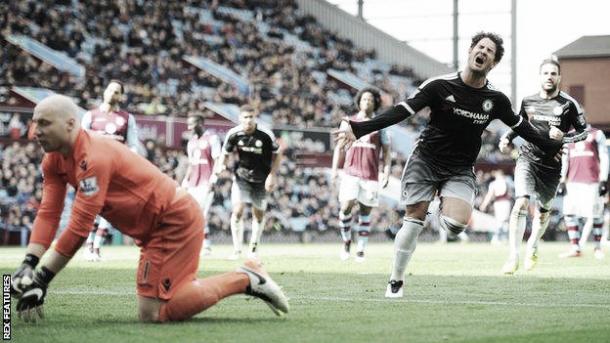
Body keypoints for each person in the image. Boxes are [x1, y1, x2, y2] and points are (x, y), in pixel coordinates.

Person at [10, 95, 288, 323]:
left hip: (172, 221)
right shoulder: (53, 160)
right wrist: (29, 264)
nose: (35, 131)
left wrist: (43, 279)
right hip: (156, 229)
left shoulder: (93, 157)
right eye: (35, 123)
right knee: (156, 309)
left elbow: (80, 226)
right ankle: (247, 274)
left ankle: (245, 278)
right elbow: (48, 212)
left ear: (71, 124)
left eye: (44, 123)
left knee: (154, 314)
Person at [333, 32, 564, 298]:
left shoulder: (496, 100)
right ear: (470, 51)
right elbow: (401, 111)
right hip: (426, 160)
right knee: (415, 217)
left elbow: (523, 127)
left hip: (460, 168)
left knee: (455, 225)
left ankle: (442, 203)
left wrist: (553, 146)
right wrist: (359, 128)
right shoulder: (439, 86)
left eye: (490, 52)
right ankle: (396, 280)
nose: (484, 52)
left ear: (493, 63)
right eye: (481, 47)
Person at [499, 58, 587, 274]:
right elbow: (519, 122)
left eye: (553, 73)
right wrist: (506, 138)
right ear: (540, 77)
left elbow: (585, 132)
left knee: (543, 212)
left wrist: (564, 138)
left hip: (552, 167)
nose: (549, 77)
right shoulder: (528, 101)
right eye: (545, 73)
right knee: (520, 203)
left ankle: (533, 246)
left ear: (559, 77)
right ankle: (513, 256)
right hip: (527, 159)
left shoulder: (569, 104)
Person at [212, 105, 283, 260]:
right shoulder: (234, 134)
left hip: (261, 180)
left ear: (255, 117)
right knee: (237, 210)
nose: (248, 120)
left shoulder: (265, 134)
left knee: (258, 214)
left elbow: (278, 154)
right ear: (240, 119)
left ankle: (253, 248)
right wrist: (221, 165)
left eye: (251, 117)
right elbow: (225, 152)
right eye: (245, 117)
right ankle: (237, 250)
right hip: (241, 177)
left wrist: (272, 175)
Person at [81, 80, 139, 261]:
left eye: (117, 92)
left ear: (121, 96)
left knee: (110, 210)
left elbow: (133, 146)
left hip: (116, 171)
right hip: (92, 170)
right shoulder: (90, 116)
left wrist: (130, 166)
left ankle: (96, 247)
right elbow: (80, 143)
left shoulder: (127, 118)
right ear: (105, 92)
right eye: (110, 90)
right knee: (91, 209)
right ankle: (88, 246)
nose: (113, 94)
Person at [331, 87, 391, 262]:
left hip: (370, 175)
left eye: (371, 100)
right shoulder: (348, 122)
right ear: (359, 101)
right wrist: (335, 170)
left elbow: (387, 151)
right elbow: (339, 148)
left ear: (376, 103)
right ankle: (346, 242)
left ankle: (361, 249)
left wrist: (386, 171)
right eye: (364, 99)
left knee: (365, 211)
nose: (367, 102)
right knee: (346, 206)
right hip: (351, 172)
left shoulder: (381, 125)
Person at [558, 125, 608, 259]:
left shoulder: (597, 134)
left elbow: (604, 156)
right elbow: (565, 159)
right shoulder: (569, 136)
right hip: (573, 182)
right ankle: (575, 247)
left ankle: (597, 247)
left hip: (592, 181)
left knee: (596, 214)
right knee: (569, 213)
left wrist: (603, 179)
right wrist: (562, 180)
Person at [181, 114, 222, 255]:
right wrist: (185, 181)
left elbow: (218, 160)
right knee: (192, 214)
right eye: (188, 124)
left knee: (202, 213)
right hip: (193, 183)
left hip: (206, 182)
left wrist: (214, 179)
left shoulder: (212, 138)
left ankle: (206, 246)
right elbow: (191, 164)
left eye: (191, 124)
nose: (189, 127)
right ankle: (196, 244)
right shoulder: (191, 142)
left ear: (200, 123)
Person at [479, 169, 512, 244]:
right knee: (502, 220)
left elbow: (490, 195)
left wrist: (484, 205)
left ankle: (502, 238)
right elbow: (490, 195)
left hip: (503, 202)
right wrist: (484, 204)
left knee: (503, 220)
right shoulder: (502, 182)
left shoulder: (502, 182)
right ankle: (498, 237)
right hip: (501, 202)